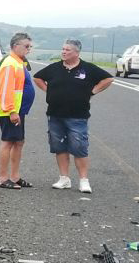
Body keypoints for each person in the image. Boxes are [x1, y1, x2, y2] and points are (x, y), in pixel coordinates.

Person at [33, 39, 114, 193]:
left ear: (77, 52)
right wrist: (48, 91)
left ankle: (84, 180)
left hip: (78, 115)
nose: (64, 52)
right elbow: (37, 77)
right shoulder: (54, 68)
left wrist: (92, 92)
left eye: (68, 50)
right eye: (63, 49)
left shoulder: (88, 69)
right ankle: (64, 178)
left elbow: (108, 79)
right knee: (59, 146)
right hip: (55, 114)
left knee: (79, 147)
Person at [0, 32, 35, 189]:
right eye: (26, 46)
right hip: (10, 111)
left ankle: (15, 176)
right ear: (15, 46)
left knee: (18, 142)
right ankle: (3, 178)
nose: (28, 49)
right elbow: (6, 89)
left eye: (30, 46)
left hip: (18, 110)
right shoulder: (10, 64)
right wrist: (11, 111)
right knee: (8, 142)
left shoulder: (19, 62)